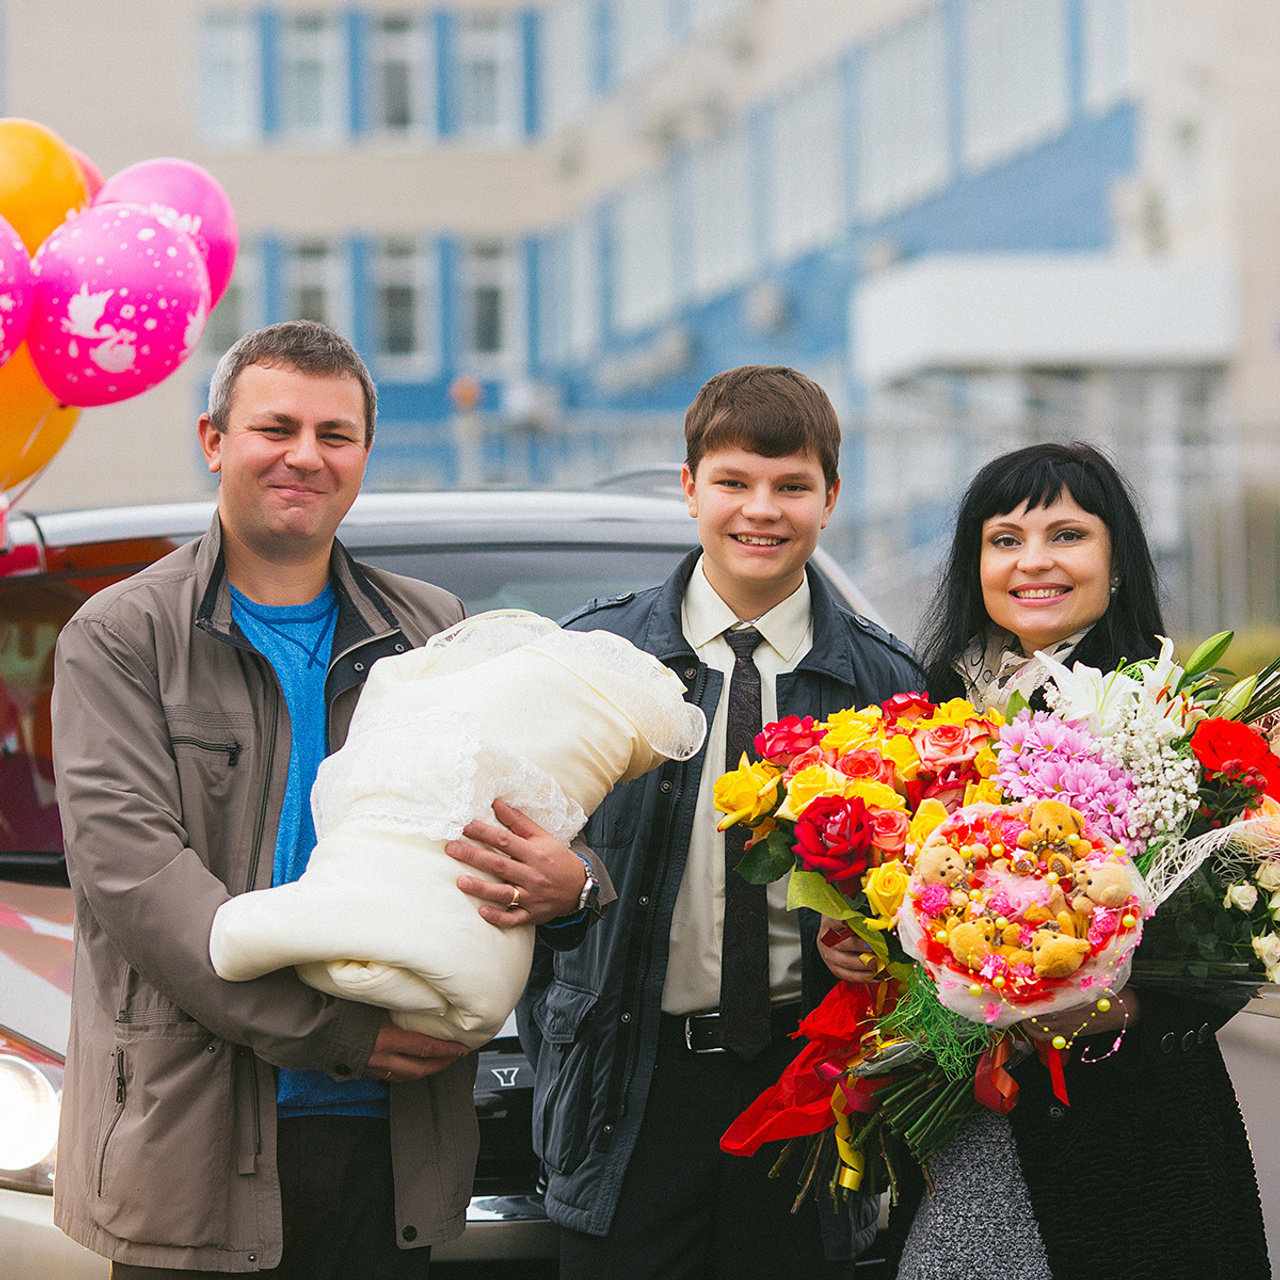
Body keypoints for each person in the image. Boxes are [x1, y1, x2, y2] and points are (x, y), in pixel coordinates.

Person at [50, 320, 596, 1278]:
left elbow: (516, 817)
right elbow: (136, 881)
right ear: (214, 438)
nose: (305, 455)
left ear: (363, 457)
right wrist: (338, 1032)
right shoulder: (122, 636)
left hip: (391, 1146)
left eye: (335, 435)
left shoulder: (431, 628)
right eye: (276, 427)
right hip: (196, 1146)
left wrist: (572, 881)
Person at [824, 442, 1269, 1280]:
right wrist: (862, 943)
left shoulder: (1175, 720)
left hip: (1136, 1127)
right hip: (968, 1111)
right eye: (1004, 539)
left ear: (1117, 563)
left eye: (1066, 534)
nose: (1033, 562)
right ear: (974, 563)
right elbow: (887, 898)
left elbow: (1231, 931)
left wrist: (1123, 1003)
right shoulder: (921, 717)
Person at [517, 365, 923, 1280]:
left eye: (791, 487)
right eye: (734, 482)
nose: (761, 511)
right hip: (631, 1084)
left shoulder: (889, 685)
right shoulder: (596, 661)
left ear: (832, 499)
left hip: (806, 1085)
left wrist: (876, 946)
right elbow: (532, 861)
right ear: (690, 486)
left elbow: (928, 901)